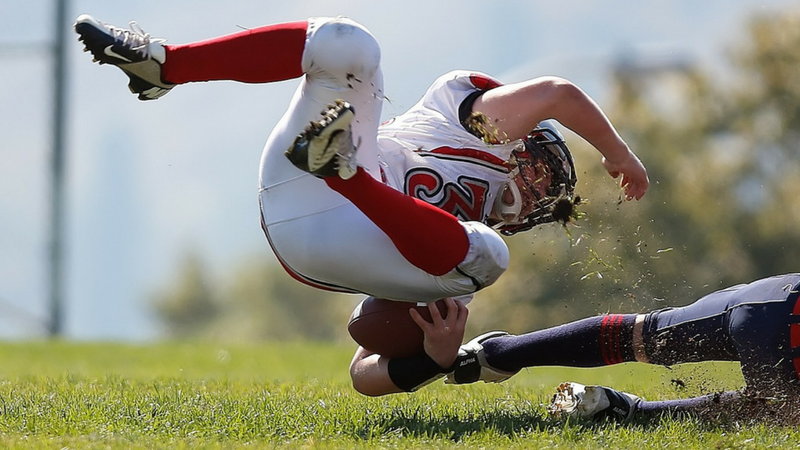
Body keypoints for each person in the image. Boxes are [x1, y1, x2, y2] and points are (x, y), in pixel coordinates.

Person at [73, 14, 648, 395]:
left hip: (330, 234)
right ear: (524, 140)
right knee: (348, 45)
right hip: (304, 177)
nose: (541, 189)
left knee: (485, 257)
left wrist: (438, 357)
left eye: (549, 194)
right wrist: (619, 153)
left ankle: (346, 173)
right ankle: (166, 65)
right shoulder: (475, 127)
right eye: (546, 170)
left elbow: (364, 378)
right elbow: (558, 94)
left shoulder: (447, 247)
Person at [443, 273, 800, 423]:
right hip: (785, 321)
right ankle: (631, 412)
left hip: (768, 297)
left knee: (644, 333)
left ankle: (496, 353)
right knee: (775, 411)